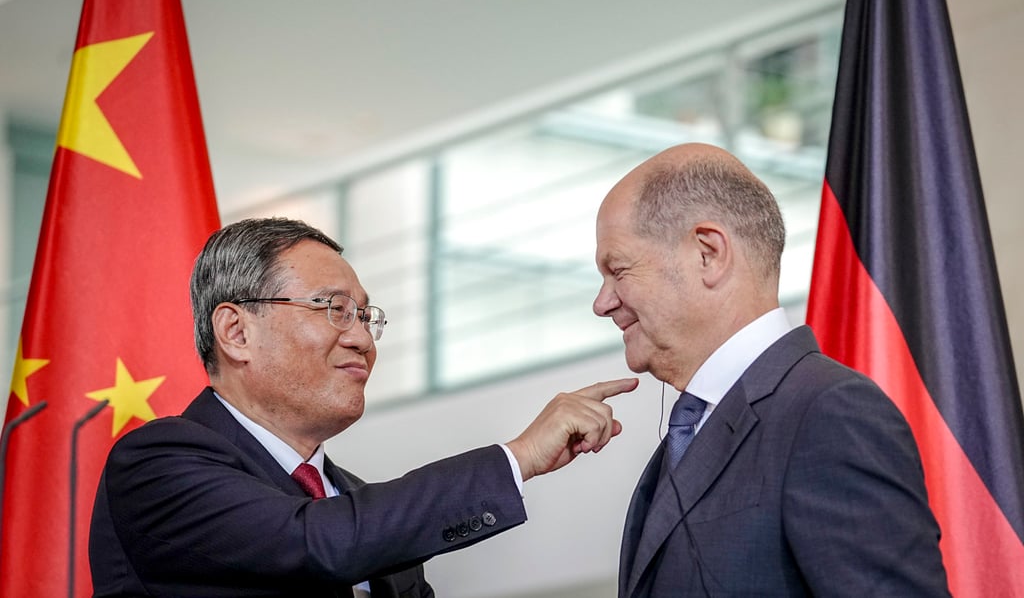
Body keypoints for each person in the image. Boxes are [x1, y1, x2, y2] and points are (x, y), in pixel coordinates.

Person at [89, 216, 637, 597]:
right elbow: (316, 543)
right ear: (236, 331)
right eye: (334, 310)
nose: (361, 339)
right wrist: (517, 458)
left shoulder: (355, 501)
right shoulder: (156, 464)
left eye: (365, 317)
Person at [593, 143, 950, 597]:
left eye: (618, 270)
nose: (601, 303)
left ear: (708, 253)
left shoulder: (829, 414)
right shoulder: (689, 435)